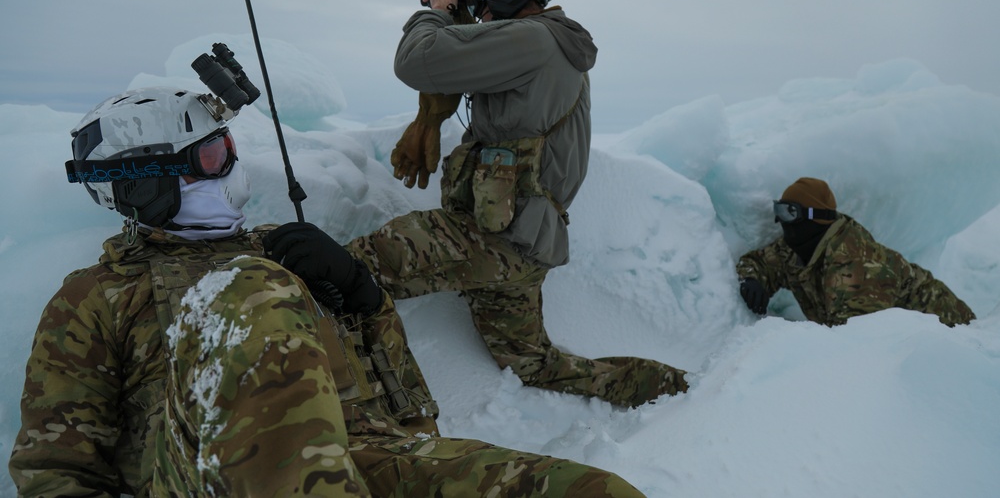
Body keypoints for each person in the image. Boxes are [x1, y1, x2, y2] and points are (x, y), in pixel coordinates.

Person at [9, 85, 645, 497]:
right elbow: (55, 471)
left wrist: (365, 300)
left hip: (366, 461)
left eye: (228, 148)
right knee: (252, 288)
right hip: (206, 482)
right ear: (143, 180)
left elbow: (412, 418)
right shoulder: (97, 296)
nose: (230, 167)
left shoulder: (275, 249)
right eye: (210, 156)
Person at [349, 0, 688, 408]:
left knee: (349, 270)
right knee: (531, 364)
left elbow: (418, 60)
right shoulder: (545, 41)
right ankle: (672, 389)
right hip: (522, 246)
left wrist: (437, 11)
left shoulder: (534, 39)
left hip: (491, 240)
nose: (481, 3)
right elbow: (471, 57)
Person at [736, 176, 976, 327]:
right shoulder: (799, 247)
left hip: (949, 332)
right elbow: (762, 263)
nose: (782, 221)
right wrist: (753, 278)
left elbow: (860, 347)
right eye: (779, 211)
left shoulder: (854, 267)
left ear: (815, 218)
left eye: (790, 212)